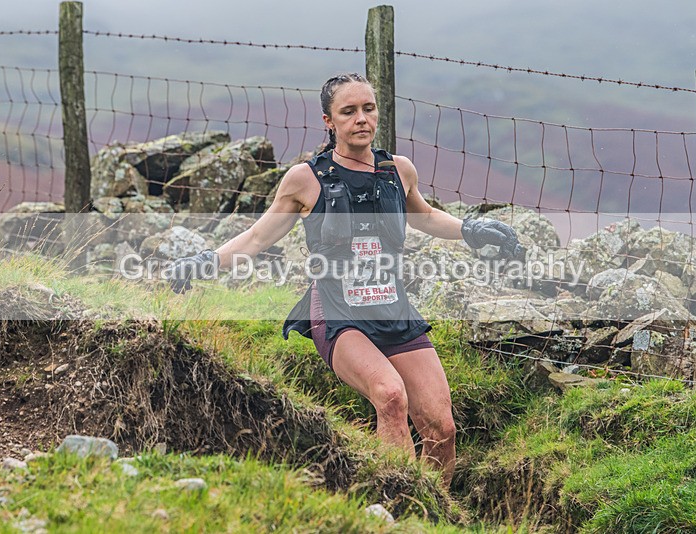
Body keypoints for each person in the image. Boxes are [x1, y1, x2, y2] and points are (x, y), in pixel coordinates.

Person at [168, 73, 522, 487]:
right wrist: (206, 261)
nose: (361, 119)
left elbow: (425, 215)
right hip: (338, 312)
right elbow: (259, 236)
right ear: (328, 121)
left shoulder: (398, 171)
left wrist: (471, 229)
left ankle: (430, 517)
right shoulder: (305, 179)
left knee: (441, 429)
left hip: (393, 308)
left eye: (368, 109)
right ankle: (396, 507)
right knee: (390, 396)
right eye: (348, 111)